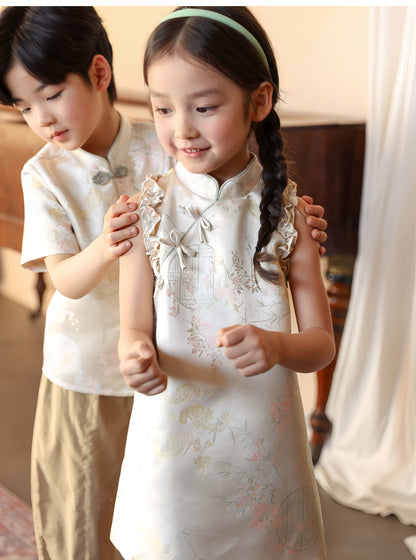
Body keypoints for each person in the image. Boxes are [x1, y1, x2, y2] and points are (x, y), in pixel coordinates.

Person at [0, 6, 328, 560]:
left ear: (100, 74)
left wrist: (293, 228)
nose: (182, 126)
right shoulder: (78, 184)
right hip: (98, 371)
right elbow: (77, 285)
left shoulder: (175, 144)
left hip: (231, 422)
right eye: (23, 106)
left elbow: (316, 340)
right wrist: (125, 310)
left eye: (51, 94)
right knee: (86, 511)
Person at [112, 6, 336, 560]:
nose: (180, 128)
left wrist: (277, 344)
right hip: (172, 442)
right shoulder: (145, 211)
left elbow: (320, 344)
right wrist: (135, 353)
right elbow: (132, 326)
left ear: (258, 102)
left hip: (261, 444)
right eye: (162, 108)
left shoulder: (290, 215)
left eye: (205, 107)